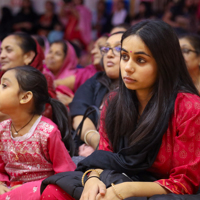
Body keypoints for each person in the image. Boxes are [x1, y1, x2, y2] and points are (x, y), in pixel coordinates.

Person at [40, 20, 200, 199]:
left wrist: (125, 191)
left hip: (163, 191)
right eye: (124, 56)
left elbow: (184, 182)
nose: (128, 67)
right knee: (54, 191)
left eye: (140, 60)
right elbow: (105, 156)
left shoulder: (189, 107)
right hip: (118, 179)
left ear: (164, 63)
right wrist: (93, 181)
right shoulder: (113, 101)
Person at [0, 66, 75, 199]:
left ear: (25, 97)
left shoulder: (47, 132)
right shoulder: (2, 129)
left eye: (4, 85)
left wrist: (27, 188)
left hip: (39, 191)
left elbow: (66, 173)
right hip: (10, 191)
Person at [69, 31, 124, 154]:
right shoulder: (96, 81)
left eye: (118, 48)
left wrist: (105, 152)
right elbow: (79, 114)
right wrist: (95, 141)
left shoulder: (140, 88)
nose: (109, 54)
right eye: (106, 49)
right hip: (90, 150)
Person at [0, 33, 56, 119]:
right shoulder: (2, 75)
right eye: (1, 51)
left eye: (9, 50)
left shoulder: (42, 79)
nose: (2, 56)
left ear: (28, 56)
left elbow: (39, 114)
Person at [54, 34, 108, 100]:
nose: (92, 52)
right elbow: (56, 84)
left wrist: (72, 101)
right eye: (94, 48)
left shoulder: (118, 79)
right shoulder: (86, 73)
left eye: (100, 47)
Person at [44, 40, 78, 105]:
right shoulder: (43, 73)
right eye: (50, 52)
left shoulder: (74, 78)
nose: (51, 56)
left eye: (58, 54)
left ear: (67, 59)